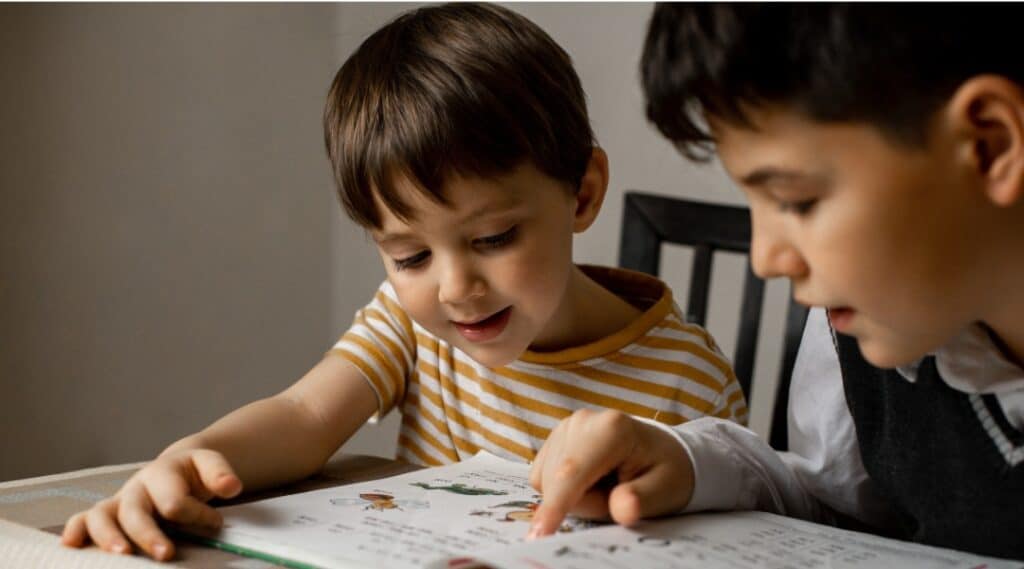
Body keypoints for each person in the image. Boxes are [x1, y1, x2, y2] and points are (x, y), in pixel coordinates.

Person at [61, 3, 746, 561]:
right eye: (410, 256)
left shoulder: (687, 378)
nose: (454, 288)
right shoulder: (409, 323)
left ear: (582, 192)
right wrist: (186, 461)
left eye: (492, 238)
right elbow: (302, 418)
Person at [528, 3, 1024, 560]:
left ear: (990, 146)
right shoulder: (858, 330)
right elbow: (830, 502)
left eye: (796, 201)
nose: (766, 259)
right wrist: (685, 462)